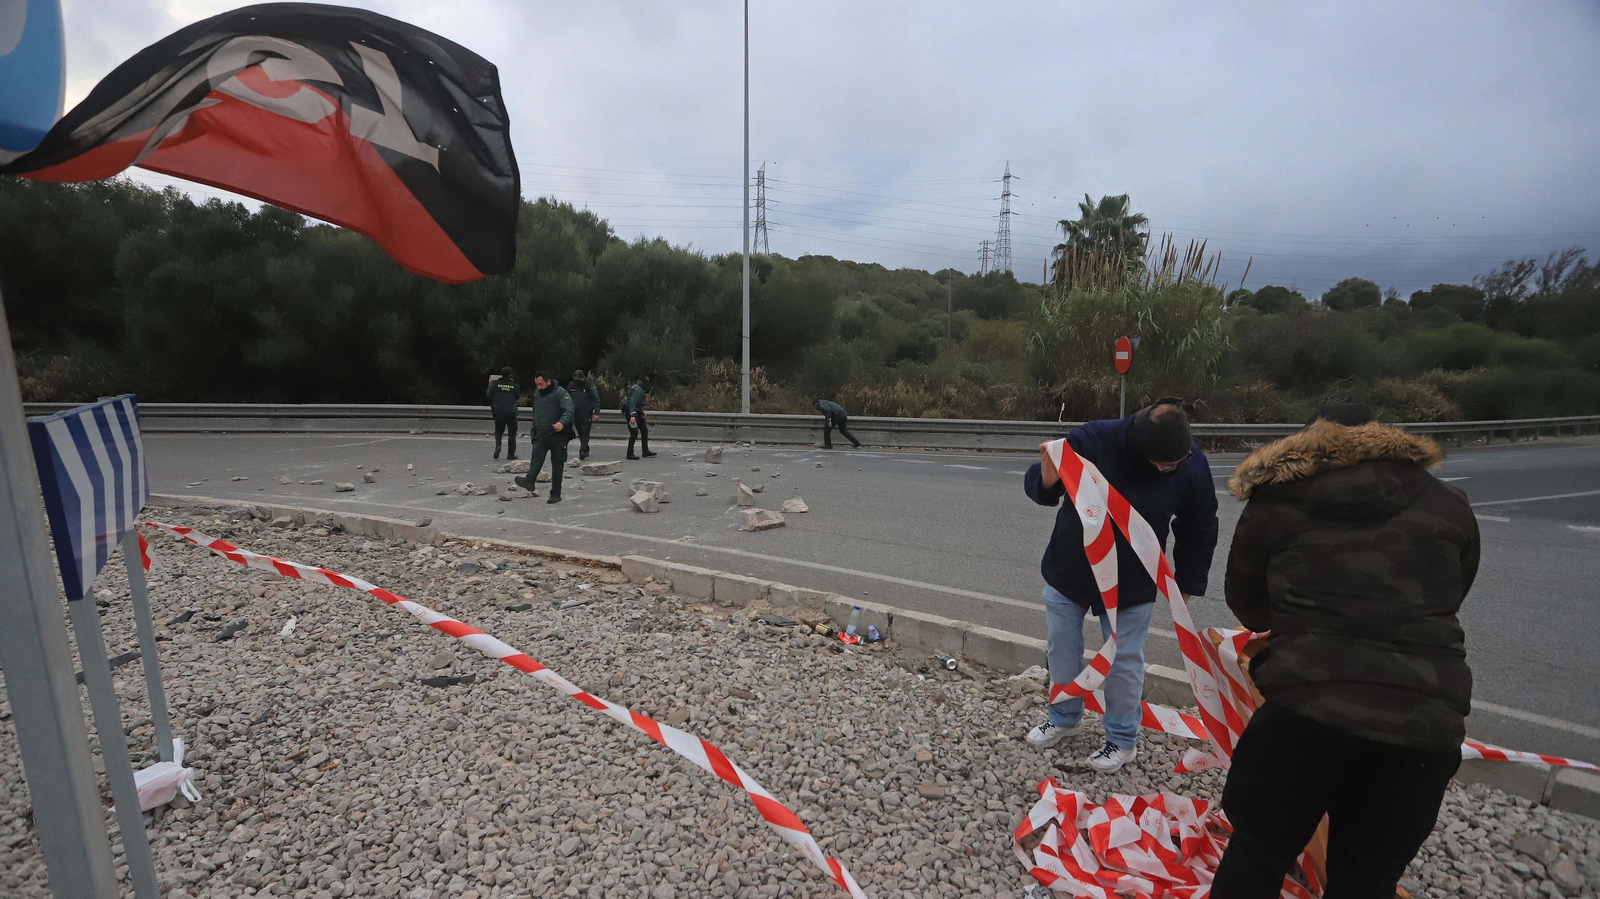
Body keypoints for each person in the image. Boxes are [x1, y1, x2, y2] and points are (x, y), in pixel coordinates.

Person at [1210, 403, 1478, 898]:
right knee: (1368, 878)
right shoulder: (1447, 502)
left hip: (1304, 710)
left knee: (1258, 853)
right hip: (1423, 723)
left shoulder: (1276, 500)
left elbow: (1250, 607)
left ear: (1309, 441)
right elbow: (1451, 593)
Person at [1022, 398, 1219, 772]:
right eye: (1165, 465)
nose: (1172, 469)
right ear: (1141, 448)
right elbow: (1043, 486)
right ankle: (1064, 718)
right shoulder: (1095, 439)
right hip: (1072, 567)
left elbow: (1200, 524)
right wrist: (1045, 479)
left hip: (1134, 577)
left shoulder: (1191, 463)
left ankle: (1122, 739)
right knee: (1061, 647)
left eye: (1177, 463)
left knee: (1125, 660)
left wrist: (1188, 582)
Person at [514, 372, 575, 505]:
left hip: (558, 435)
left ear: (548, 382)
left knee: (557, 464)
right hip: (541, 434)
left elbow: (569, 411)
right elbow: (536, 413)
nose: (539, 387)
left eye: (541, 384)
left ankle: (555, 494)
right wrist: (534, 430)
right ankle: (529, 481)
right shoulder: (537, 394)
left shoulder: (560, 393)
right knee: (536, 457)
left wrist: (562, 422)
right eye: (537, 385)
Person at [567, 369, 602, 460]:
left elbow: (595, 398)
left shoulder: (589, 385)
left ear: (583, 378)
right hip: (575, 412)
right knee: (580, 431)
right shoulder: (571, 385)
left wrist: (596, 412)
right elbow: (567, 398)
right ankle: (585, 447)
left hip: (586, 412)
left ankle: (582, 451)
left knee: (585, 431)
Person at [486, 367, 520, 460]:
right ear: (510, 375)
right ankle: (511, 454)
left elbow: (488, 395)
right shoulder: (514, 386)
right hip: (511, 412)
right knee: (512, 433)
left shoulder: (495, 384)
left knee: (498, 430)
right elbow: (517, 397)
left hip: (498, 411)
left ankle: (498, 445)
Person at [624, 375, 656, 460]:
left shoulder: (639, 388)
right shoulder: (637, 390)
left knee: (644, 430)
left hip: (637, 412)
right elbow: (632, 402)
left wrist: (641, 411)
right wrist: (632, 416)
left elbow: (638, 403)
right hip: (632, 413)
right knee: (634, 433)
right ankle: (629, 453)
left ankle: (645, 451)